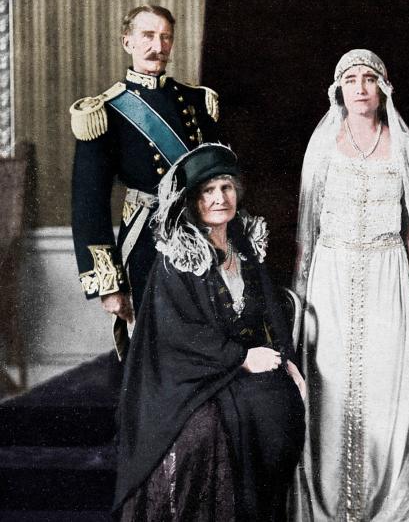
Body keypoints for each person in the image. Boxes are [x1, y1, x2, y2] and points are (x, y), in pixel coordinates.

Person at [292, 49, 409, 521]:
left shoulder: (402, 145)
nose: (360, 88)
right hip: (331, 276)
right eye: (350, 79)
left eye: (369, 79)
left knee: (386, 388)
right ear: (339, 89)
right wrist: (304, 290)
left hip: (387, 274)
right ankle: (332, 503)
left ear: (383, 87)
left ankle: (382, 502)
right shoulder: (323, 145)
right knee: (331, 389)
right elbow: (306, 232)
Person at [113, 143, 306, 521]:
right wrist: (242, 359)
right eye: (208, 191)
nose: (220, 198)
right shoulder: (178, 259)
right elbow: (179, 336)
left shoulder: (245, 249)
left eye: (227, 188)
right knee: (204, 433)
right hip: (185, 378)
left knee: (275, 404)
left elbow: (271, 313)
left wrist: (288, 360)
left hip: (234, 369)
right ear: (192, 200)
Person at [69, 4, 220, 352]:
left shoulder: (197, 101)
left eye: (166, 37)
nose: (158, 45)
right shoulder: (105, 111)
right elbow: (88, 205)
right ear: (128, 42)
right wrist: (109, 285)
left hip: (202, 239)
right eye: (148, 36)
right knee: (154, 359)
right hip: (145, 249)